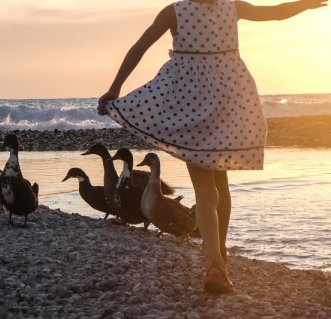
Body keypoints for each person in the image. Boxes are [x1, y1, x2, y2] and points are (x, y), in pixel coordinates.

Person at [97, 0, 327, 293]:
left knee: (207, 189)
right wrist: (304, 5)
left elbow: (138, 48)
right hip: (227, 102)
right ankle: (220, 258)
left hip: (191, 105)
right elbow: (274, 13)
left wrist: (116, 87)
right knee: (221, 184)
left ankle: (214, 264)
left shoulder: (175, 11)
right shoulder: (232, 7)